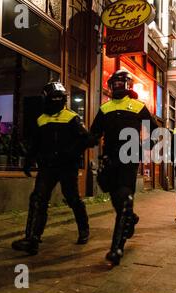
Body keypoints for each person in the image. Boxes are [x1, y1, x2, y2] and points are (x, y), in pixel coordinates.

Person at [12, 82, 94, 255]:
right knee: (38, 199)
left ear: (63, 99)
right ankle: (32, 239)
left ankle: (84, 229)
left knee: (72, 198)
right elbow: (35, 143)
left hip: (67, 167)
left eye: (59, 98)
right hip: (47, 167)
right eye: (53, 98)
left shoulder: (72, 117)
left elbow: (87, 139)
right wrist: (29, 160)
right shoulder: (41, 119)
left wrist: (71, 153)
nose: (56, 101)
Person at [90, 70, 158, 266]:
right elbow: (95, 133)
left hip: (129, 160)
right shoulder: (105, 108)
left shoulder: (138, 106)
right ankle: (131, 218)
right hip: (110, 162)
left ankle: (116, 249)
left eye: (121, 82)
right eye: (115, 83)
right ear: (111, 86)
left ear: (127, 85)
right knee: (117, 201)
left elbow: (154, 130)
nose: (118, 86)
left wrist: (145, 147)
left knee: (125, 200)